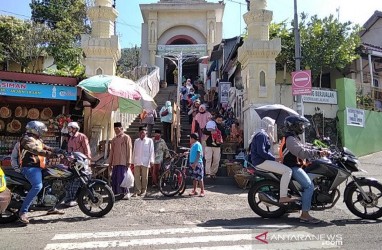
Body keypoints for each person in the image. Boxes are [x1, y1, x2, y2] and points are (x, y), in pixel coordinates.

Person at [282, 115, 329, 224]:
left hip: (298, 166)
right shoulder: (290, 139)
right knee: (309, 186)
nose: (302, 127)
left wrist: (319, 149)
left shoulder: (294, 137)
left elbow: (304, 147)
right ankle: (305, 215)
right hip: (292, 167)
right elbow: (301, 152)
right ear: (294, 126)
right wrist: (317, 153)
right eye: (300, 125)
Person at [18, 121, 63, 224]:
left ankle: (51, 207)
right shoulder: (26, 139)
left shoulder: (38, 139)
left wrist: (59, 150)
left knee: (52, 179)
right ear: (35, 129)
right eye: (41, 130)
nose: (43, 132)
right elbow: (36, 150)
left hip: (39, 167)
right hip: (29, 167)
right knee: (38, 186)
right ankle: (23, 212)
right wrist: (52, 155)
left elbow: (46, 148)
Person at [250, 117, 296, 203]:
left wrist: (275, 158)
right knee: (287, 171)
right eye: (271, 126)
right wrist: (275, 159)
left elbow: (265, 151)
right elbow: (261, 152)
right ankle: (283, 196)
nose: (272, 128)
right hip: (261, 161)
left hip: (260, 161)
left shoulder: (261, 134)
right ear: (267, 125)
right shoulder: (261, 135)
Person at [64, 121, 91, 207]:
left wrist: (88, 159)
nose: (68, 130)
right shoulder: (70, 139)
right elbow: (69, 152)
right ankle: (69, 199)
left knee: (81, 180)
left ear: (75, 129)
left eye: (70, 128)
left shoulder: (81, 136)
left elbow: (87, 149)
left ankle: (81, 197)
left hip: (81, 162)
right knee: (71, 180)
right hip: (73, 163)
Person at [108, 122, 133, 200]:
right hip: (115, 161)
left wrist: (129, 161)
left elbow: (129, 149)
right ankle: (117, 193)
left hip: (123, 161)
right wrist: (110, 162)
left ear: (121, 128)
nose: (116, 130)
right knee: (115, 178)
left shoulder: (126, 137)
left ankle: (126, 192)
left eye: (118, 129)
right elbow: (111, 151)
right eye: (115, 129)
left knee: (123, 178)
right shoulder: (114, 139)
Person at [132, 126, 155, 197]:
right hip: (137, 160)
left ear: (146, 132)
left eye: (143, 132)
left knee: (145, 177)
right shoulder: (136, 141)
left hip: (145, 160)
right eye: (141, 132)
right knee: (136, 176)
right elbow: (134, 151)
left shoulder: (149, 140)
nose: (142, 133)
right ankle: (137, 191)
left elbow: (151, 151)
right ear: (139, 133)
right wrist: (132, 161)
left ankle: (143, 191)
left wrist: (151, 160)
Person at [203, 114, 226, 178]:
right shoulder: (210, 124)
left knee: (216, 159)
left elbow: (224, 135)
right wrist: (211, 133)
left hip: (217, 145)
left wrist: (221, 140)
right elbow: (204, 131)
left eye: (221, 120)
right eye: (218, 120)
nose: (219, 121)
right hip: (209, 144)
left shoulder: (221, 127)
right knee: (208, 158)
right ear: (215, 119)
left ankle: (213, 173)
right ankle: (207, 173)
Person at [188, 133, 205, 197]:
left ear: (192, 138)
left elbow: (198, 154)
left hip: (197, 163)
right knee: (194, 178)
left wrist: (195, 163)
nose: (189, 140)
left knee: (199, 178)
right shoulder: (193, 145)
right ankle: (194, 190)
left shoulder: (197, 144)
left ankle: (202, 190)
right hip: (192, 163)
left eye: (190, 138)